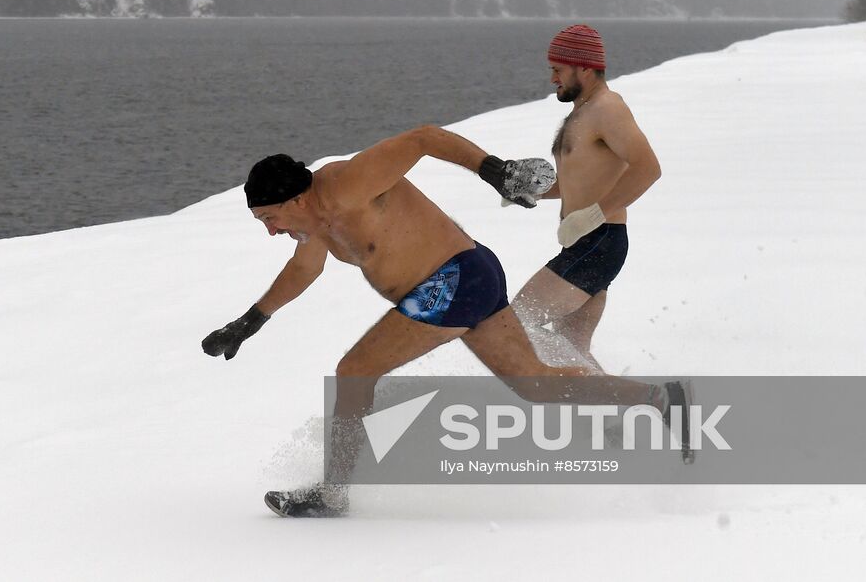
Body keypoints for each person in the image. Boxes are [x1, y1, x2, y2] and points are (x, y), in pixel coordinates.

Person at [202, 125, 682, 518]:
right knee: (536, 383)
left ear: (294, 199)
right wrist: (250, 321)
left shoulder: (347, 183)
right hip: (469, 276)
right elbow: (303, 269)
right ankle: (659, 399)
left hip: (452, 279)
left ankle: (333, 494)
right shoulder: (311, 226)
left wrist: (494, 170)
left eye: (269, 217)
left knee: (355, 372)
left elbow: (423, 139)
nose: (270, 230)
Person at [509, 24, 662, 376]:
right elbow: (577, 183)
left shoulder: (608, 108)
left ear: (585, 68)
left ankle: (637, 404)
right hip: (588, 242)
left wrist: (592, 216)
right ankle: (629, 416)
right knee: (572, 347)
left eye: (558, 70)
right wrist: (531, 191)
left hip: (600, 241)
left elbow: (648, 168)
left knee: (515, 326)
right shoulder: (583, 112)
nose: (552, 79)